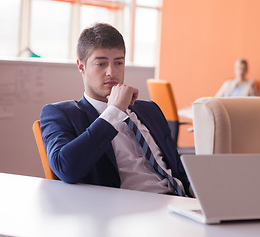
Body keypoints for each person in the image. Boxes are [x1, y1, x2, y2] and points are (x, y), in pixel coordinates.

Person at [40, 23, 192, 197]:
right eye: (101, 64)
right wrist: (113, 112)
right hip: (130, 210)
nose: (111, 72)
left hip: (180, 203)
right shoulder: (60, 114)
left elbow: (177, 168)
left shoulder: (150, 109)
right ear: (81, 66)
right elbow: (66, 168)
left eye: (118, 62)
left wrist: (197, 192)